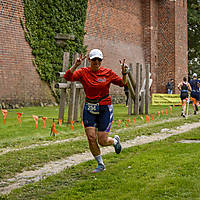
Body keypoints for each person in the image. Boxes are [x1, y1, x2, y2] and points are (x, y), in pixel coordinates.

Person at [64, 49, 128, 173]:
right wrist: (75, 65)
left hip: (104, 107)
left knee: (102, 141)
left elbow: (122, 83)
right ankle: (100, 164)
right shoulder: (83, 72)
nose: (96, 62)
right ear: (89, 60)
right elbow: (68, 77)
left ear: (101, 61)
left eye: (99, 60)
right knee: (91, 137)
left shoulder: (107, 73)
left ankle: (114, 141)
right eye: (94, 59)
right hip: (90, 107)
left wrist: (124, 73)